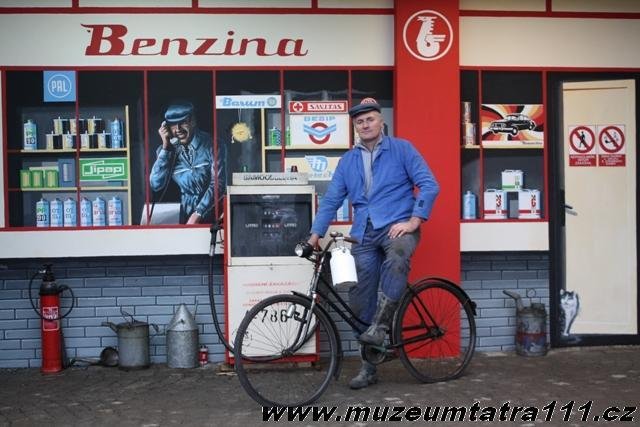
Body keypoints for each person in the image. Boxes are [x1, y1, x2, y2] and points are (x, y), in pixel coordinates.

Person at [307, 98, 440, 390]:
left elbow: (429, 184)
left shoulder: (402, 149)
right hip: (364, 232)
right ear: (354, 127)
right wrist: (315, 235)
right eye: (359, 121)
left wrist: (415, 221)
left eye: (370, 119)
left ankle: (380, 328)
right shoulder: (348, 161)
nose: (365, 125)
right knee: (359, 295)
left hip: (398, 226)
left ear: (381, 121)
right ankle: (369, 366)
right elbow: (332, 200)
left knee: (397, 260)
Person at [149, 102, 217, 224]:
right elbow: (155, 184)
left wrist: (198, 213)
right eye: (173, 125)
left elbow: (218, 184)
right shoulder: (166, 151)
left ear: (193, 121)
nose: (178, 129)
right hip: (184, 216)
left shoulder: (213, 145)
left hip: (212, 214)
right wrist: (166, 148)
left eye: (183, 122)